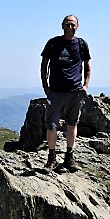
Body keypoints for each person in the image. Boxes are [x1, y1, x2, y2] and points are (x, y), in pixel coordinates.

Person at [40, 15, 92, 173]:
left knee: (72, 124)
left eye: (73, 24)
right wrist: (46, 87)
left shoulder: (81, 44)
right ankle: (51, 159)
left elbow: (88, 66)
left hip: (75, 92)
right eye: (67, 24)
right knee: (52, 126)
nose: (70, 27)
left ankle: (69, 157)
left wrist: (85, 86)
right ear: (62, 26)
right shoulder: (53, 43)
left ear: (77, 26)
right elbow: (44, 65)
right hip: (55, 92)